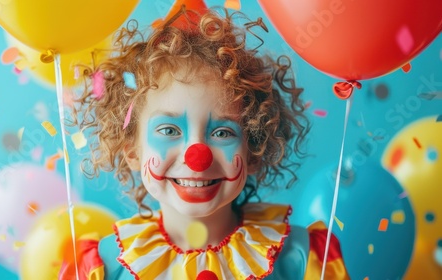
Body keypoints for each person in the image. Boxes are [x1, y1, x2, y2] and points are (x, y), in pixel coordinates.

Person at [62, 5, 350, 280]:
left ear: (253, 152)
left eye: (222, 133)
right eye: (169, 130)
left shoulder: (302, 259)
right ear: (132, 151)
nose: (196, 156)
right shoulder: (102, 268)